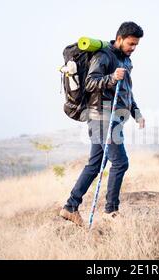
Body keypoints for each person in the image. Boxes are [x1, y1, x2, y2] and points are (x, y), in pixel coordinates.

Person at [59, 22, 146, 226]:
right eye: (131, 43)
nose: (133, 48)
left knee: (95, 164)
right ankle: (111, 211)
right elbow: (90, 83)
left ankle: (70, 207)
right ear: (119, 39)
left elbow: (126, 92)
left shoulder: (125, 61)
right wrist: (111, 78)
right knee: (120, 162)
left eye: (136, 45)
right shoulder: (104, 55)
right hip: (102, 116)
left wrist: (137, 113)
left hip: (113, 116)